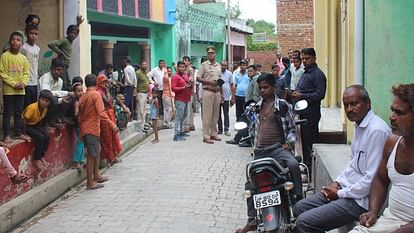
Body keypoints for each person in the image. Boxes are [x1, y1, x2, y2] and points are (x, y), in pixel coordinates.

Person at [293, 85, 390, 232]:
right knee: (299, 207)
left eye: (354, 104)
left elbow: (372, 179)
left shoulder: (376, 130)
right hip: (348, 190)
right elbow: (353, 163)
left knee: (304, 222)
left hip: (360, 201)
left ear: (368, 103)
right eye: (346, 105)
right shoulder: (360, 125)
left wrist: (339, 193)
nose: (349, 109)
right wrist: (337, 183)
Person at [235, 73, 301, 233]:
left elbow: (292, 130)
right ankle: (252, 220)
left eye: (266, 87)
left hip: (278, 149)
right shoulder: (255, 107)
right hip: (260, 152)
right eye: (261, 88)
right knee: (250, 183)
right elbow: (250, 126)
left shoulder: (283, 106)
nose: (263, 90)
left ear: (274, 87)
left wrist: (288, 142)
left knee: (293, 164)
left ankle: (299, 203)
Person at [348, 84, 414, 233]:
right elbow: (380, 179)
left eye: (399, 112)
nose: (392, 117)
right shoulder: (392, 142)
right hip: (390, 222)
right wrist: (373, 210)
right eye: (392, 110)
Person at [78, 74, 118, 190]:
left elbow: (80, 114)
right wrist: (112, 124)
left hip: (86, 128)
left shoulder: (84, 96)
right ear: (96, 83)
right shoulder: (96, 94)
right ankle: (90, 182)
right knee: (91, 155)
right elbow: (101, 112)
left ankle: (96, 175)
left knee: (96, 151)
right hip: (92, 128)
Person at [291, 48, 327, 175]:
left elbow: (320, 94)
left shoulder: (318, 75)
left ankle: (311, 172)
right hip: (303, 113)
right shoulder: (306, 73)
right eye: (303, 58)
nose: (305, 61)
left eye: (307, 58)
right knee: (305, 144)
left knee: (310, 144)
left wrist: (302, 95)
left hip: (311, 115)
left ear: (314, 58)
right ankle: (306, 168)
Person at [0, 32, 30, 143]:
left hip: (20, 91)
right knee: (7, 113)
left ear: (22, 43)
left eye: (18, 40)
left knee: (18, 112)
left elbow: (27, 73)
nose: (15, 42)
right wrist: (14, 83)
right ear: (10, 42)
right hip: (9, 91)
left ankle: (18, 133)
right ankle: (6, 134)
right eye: (13, 39)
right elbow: (2, 72)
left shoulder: (23, 58)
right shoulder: (4, 56)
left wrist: (23, 83)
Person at [48, 15, 83, 90]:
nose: (73, 35)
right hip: (61, 66)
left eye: (75, 33)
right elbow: (51, 44)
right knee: (64, 84)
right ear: (67, 33)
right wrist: (60, 53)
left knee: (66, 82)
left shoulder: (70, 41)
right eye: (71, 33)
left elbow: (75, 30)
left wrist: (78, 24)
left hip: (65, 66)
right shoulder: (65, 40)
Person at [22, 89, 54, 170]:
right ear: (39, 99)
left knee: (47, 135)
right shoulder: (32, 108)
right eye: (43, 100)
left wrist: (41, 129)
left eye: (47, 101)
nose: (45, 103)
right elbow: (24, 120)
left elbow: (41, 119)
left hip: (35, 124)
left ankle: (41, 156)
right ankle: (36, 158)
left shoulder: (45, 109)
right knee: (40, 137)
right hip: (27, 126)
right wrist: (24, 133)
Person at [197, 46, 221, 144]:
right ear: (207, 55)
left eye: (212, 53)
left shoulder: (218, 65)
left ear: (215, 54)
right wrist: (209, 82)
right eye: (209, 53)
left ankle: (214, 133)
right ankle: (206, 136)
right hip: (208, 91)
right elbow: (198, 78)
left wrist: (222, 93)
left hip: (217, 92)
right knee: (207, 115)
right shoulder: (204, 65)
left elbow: (220, 79)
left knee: (215, 115)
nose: (211, 55)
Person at [96, 75, 122, 166]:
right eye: (103, 82)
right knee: (106, 138)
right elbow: (106, 101)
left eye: (106, 82)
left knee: (112, 137)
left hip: (110, 114)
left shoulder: (106, 91)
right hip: (104, 117)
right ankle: (108, 158)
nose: (106, 84)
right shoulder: (99, 92)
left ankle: (113, 157)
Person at [39, 58, 71, 129]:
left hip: (51, 102)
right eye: (54, 69)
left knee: (68, 98)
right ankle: (48, 122)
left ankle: (59, 118)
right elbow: (47, 93)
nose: (56, 72)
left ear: (62, 71)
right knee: (53, 99)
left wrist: (62, 100)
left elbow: (57, 96)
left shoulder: (60, 81)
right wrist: (66, 93)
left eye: (59, 70)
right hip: (41, 102)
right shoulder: (46, 77)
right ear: (51, 69)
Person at [20, 24, 40, 108]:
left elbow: (36, 63)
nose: (33, 36)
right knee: (26, 104)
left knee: (33, 104)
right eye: (31, 33)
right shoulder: (23, 47)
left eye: (36, 34)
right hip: (26, 81)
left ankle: (32, 121)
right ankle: (24, 120)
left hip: (34, 81)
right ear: (26, 34)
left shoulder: (37, 48)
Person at [171, 61, 192, 141]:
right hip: (179, 99)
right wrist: (182, 88)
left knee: (184, 115)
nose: (182, 68)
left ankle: (181, 131)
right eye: (180, 67)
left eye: (183, 67)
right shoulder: (175, 76)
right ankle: (176, 135)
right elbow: (173, 88)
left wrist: (190, 83)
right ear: (177, 67)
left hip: (186, 98)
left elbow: (187, 84)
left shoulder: (185, 75)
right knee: (179, 116)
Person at [70, 79, 85, 169]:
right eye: (78, 91)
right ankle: (76, 162)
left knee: (82, 142)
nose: (80, 93)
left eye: (81, 91)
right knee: (80, 142)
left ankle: (81, 160)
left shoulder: (80, 100)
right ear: (74, 92)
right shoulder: (76, 102)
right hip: (79, 124)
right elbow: (76, 113)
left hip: (81, 124)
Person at [218, 61, 234, 136]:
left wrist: (233, 97)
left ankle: (226, 129)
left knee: (226, 114)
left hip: (227, 97)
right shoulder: (217, 73)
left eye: (225, 65)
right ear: (220, 65)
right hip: (217, 96)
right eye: (222, 65)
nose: (224, 66)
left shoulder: (229, 74)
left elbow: (232, 85)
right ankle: (220, 129)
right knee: (218, 114)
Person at [183, 56, 196, 132]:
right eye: (184, 60)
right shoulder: (183, 69)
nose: (185, 61)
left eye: (186, 60)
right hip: (185, 91)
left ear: (189, 62)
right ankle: (191, 124)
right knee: (189, 108)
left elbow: (191, 79)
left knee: (188, 108)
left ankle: (187, 126)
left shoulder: (190, 69)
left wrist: (188, 84)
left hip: (189, 91)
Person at [135, 60, 149, 128]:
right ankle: (140, 125)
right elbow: (135, 83)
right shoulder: (138, 73)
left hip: (145, 93)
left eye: (145, 64)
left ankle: (143, 124)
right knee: (140, 110)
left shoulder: (145, 73)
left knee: (144, 110)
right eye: (143, 64)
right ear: (140, 65)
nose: (145, 65)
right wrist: (136, 94)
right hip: (140, 93)